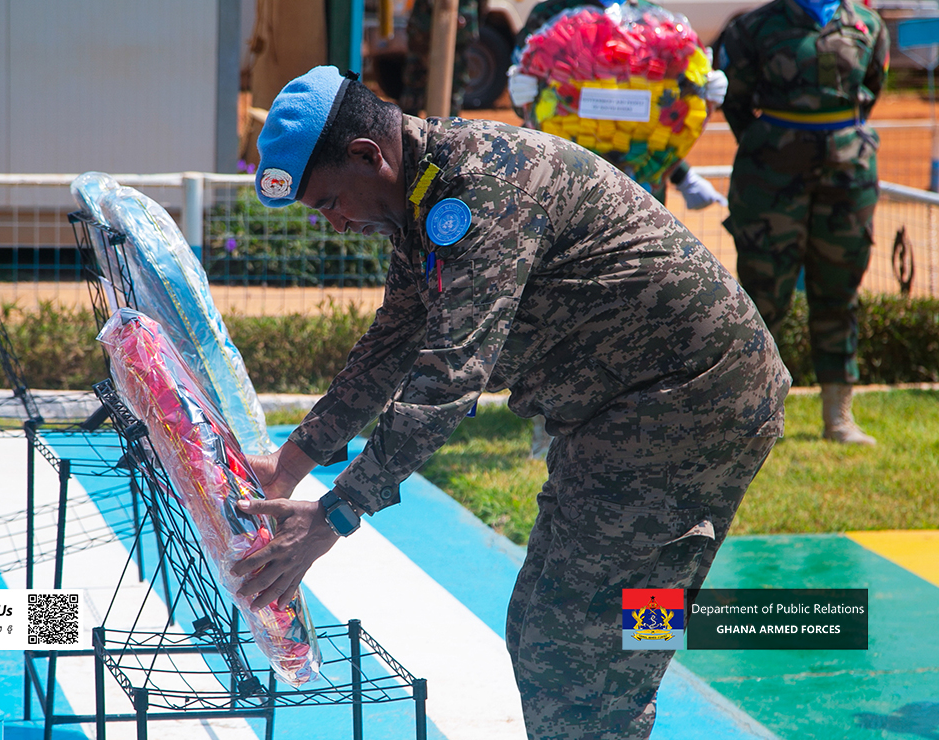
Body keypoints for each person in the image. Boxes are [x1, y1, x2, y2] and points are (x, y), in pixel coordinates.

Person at [238, 65, 790, 738]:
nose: (337, 223)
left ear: (365, 155)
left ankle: (661, 631)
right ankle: (658, 619)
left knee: (584, 652)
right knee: (543, 625)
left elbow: (448, 378)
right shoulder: (423, 192)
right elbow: (394, 343)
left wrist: (335, 514)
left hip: (689, 404)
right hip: (622, 414)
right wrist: (290, 463)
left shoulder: (480, 189)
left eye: (329, 202)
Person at [718, 0, 889, 445]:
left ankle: (838, 417)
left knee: (838, 291)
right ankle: (749, 415)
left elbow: (871, 87)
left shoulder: (866, 24)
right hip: (770, 178)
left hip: (848, 175)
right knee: (762, 295)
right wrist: (775, 143)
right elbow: (735, 101)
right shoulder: (753, 26)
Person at [506, 0, 730, 210]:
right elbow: (532, 93)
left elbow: (663, 114)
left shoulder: (651, 16)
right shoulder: (549, 13)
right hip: (562, 181)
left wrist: (700, 89)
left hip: (640, 189)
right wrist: (521, 93)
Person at [400, 0, 481, 116]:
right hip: (423, 35)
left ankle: (449, 128)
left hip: (457, 38)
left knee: (453, 87)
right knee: (415, 83)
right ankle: (407, 129)